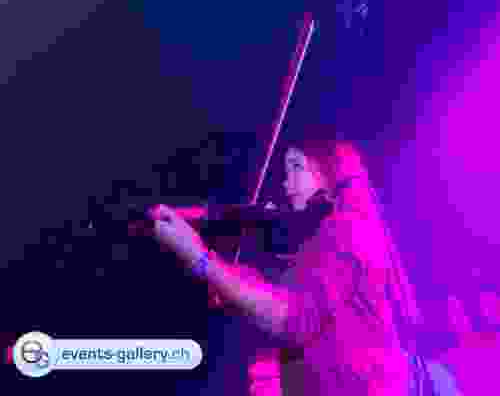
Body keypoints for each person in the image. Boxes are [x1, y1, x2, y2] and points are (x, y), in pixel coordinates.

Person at [149, 138, 422, 395]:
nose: (285, 183)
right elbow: (296, 305)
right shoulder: (323, 241)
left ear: (331, 171)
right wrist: (228, 276)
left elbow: (291, 318)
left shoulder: (346, 231)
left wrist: (201, 259)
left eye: (296, 167)